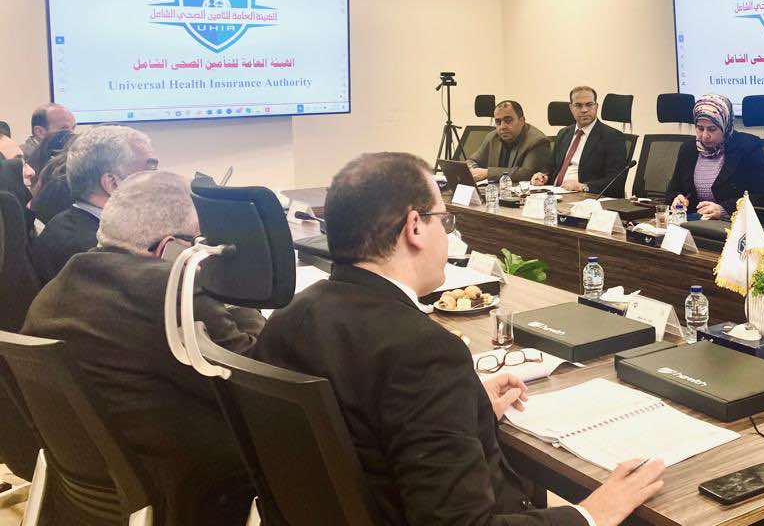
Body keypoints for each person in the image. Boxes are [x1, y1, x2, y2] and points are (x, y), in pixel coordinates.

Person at [254, 152, 665, 526]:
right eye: (444, 220)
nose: (447, 233)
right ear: (415, 226)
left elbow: (360, 427)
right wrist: (589, 515)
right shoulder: (423, 352)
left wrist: (461, 406)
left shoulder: (288, 319)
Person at [23, 170, 263, 525]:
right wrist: (239, 294)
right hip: (189, 491)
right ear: (171, 247)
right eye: (197, 241)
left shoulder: (60, 285)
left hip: (100, 490)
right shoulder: (171, 292)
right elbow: (259, 380)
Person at [31, 125, 157, 284]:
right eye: (151, 171)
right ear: (112, 183)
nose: (160, 182)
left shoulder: (68, 225)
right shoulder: (96, 251)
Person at [666, 94, 764, 219]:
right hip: (695, 221)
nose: (705, 136)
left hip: (733, 222)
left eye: (712, 129)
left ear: (725, 126)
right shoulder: (688, 149)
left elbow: (762, 199)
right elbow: (672, 191)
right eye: (700, 128)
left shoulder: (748, 147)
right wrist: (676, 199)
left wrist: (724, 209)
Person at [531, 86, 629, 197]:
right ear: (571, 108)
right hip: (554, 193)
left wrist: (583, 186)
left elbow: (616, 181)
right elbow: (551, 167)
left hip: (584, 197)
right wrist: (543, 176)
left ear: (596, 107)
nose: (584, 110)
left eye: (589, 104)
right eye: (578, 105)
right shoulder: (563, 133)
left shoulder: (612, 137)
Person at [466, 100, 552, 184]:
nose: (502, 126)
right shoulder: (492, 137)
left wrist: (487, 173)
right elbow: (472, 161)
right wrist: (474, 171)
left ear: (521, 121)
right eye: (498, 122)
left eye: (508, 121)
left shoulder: (537, 141)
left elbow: (527, 173)